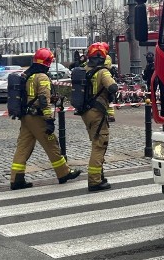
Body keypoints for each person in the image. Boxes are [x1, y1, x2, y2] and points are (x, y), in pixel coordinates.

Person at [9, 48, 81, 190]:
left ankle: (16, 178)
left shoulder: (28, 75)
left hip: (26, 117)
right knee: (52, 144)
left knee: (23, 147)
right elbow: (43, 99)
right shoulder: (41, 77)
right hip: (37, 118)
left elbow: (32, 96)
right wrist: (49, 120)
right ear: (47, 62)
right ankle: (64, 173)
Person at [80, 42, 119, 192]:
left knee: (96, 142)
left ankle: (99, 175)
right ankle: (95, 181)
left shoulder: (85, 69)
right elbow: (112, 87)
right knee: (100, 144)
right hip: (97, 112)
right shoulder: (102, 72)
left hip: (86, 112)